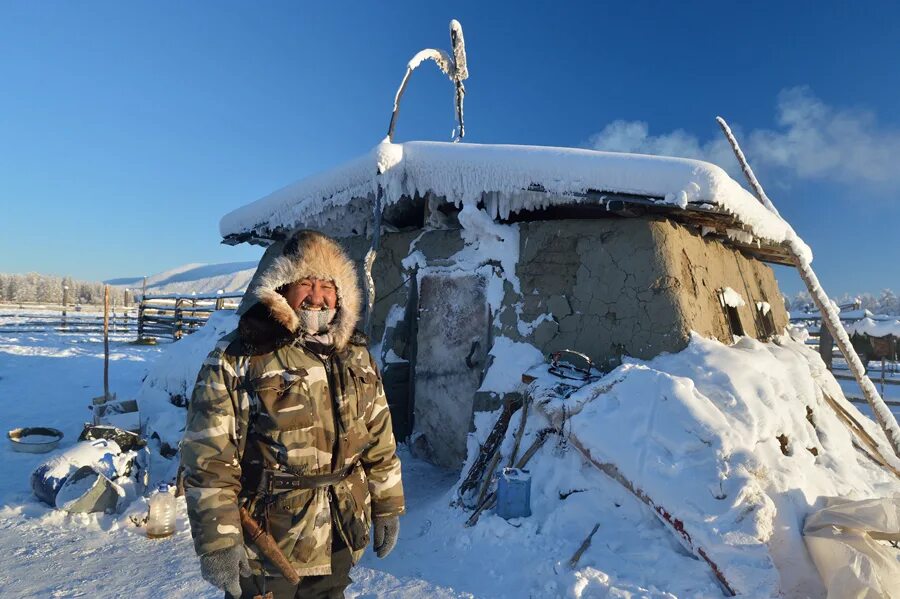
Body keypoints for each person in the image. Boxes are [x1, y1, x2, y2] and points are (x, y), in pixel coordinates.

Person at [180, 230, 404, 599]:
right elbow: (208, 456)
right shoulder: (243, 354)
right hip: (267, 541)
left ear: (341, 293)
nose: (317, 296)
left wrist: (387, 505)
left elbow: (380, 438)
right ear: (282, 287)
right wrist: (218, 541)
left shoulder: (356, 354)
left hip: (339, 531)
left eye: (327, 285)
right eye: (306, 283)